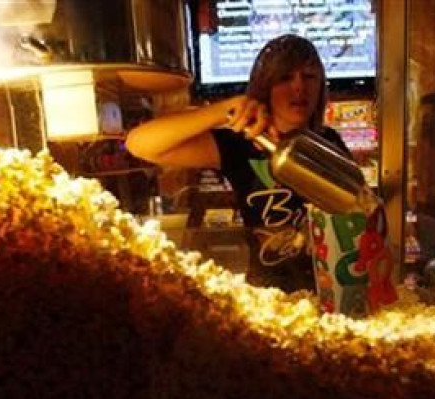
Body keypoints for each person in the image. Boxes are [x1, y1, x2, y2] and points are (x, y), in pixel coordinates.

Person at [125, 34, 352, 293]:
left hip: (333, 289)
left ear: (321, 85)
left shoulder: (329, 141)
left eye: (309, 76)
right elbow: (139, 143)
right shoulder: (239, 145)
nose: (299, 87)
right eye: (285, 78)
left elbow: (356, 210)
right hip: (270, 297)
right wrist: (225, 110)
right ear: (265, 87)